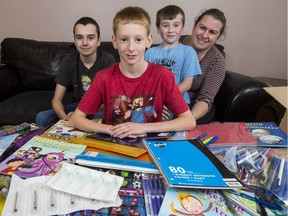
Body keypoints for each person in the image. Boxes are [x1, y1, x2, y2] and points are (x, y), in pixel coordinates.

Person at [69, 6, 196, 139]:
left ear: (149, 40)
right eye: (124, 39)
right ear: (114, 41)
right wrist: (111, 129)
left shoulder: (163, 76)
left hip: (149, 147)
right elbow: (76, 119)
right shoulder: (103, 77)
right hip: (113, 146)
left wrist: (142, 128)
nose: (131, 48)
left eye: (138, 40)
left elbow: (189, 120)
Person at [35, 17, 115, 127]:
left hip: (99, 107)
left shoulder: (108, 60)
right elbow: (56, 100)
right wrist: (65, 118)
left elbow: (109, 99)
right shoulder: (68, 61)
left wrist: (80, 116)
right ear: (74, 41)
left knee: (105, 118)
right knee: (42, 117)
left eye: (90, 38)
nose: (85, 43)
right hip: (77, 106)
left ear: (99, 41)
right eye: (79, 38)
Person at [145, 5, 201, 120]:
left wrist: (165, 99)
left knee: (166, 121)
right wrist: (156, 101)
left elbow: (187, 83)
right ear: (158, 29)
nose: (171, 30)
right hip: (153, 101)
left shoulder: (188, 52)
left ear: (182, 28)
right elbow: (144, 83)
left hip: (178, 101)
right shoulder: (149, 53)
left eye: (176, 25)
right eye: (165, 25)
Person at [180, 8, 227, 124]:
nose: (205, 35)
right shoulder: (175, 42)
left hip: (192, 106)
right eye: (202, 27)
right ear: (194, 26)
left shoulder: (217, 60)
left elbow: (205, 99)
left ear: (218, 36)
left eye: (212, 32)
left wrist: (188, 119)